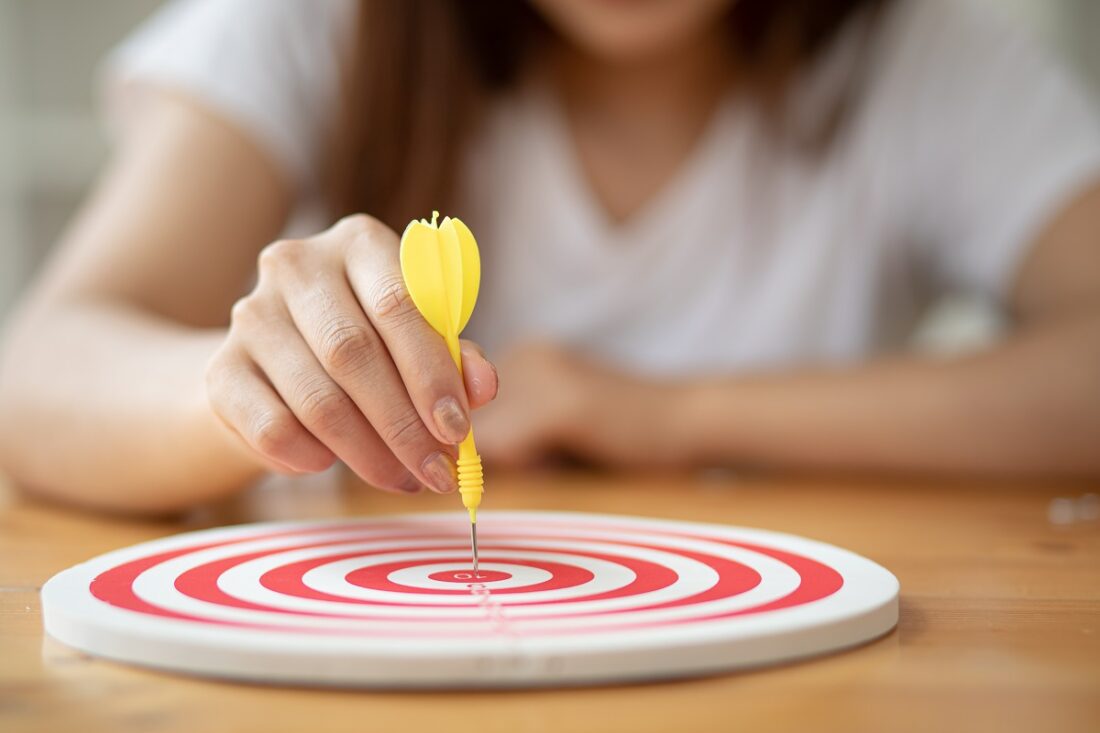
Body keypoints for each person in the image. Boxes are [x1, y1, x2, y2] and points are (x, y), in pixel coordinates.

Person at [1, 0, 1098, 514]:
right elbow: (39, 377)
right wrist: (253, 391)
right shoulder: (310, 26)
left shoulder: (929, 60)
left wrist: (672, 412)